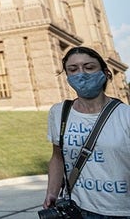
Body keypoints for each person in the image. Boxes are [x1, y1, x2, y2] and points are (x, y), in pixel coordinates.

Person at [42, 46, 130, 218]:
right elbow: (57, 157)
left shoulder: (125, 115)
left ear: (105, 73)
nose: (81, 74)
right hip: (75, 209)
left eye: (89, 67)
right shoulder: (59, 112)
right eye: (73, 69)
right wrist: (52, 191)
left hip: (120, 211)